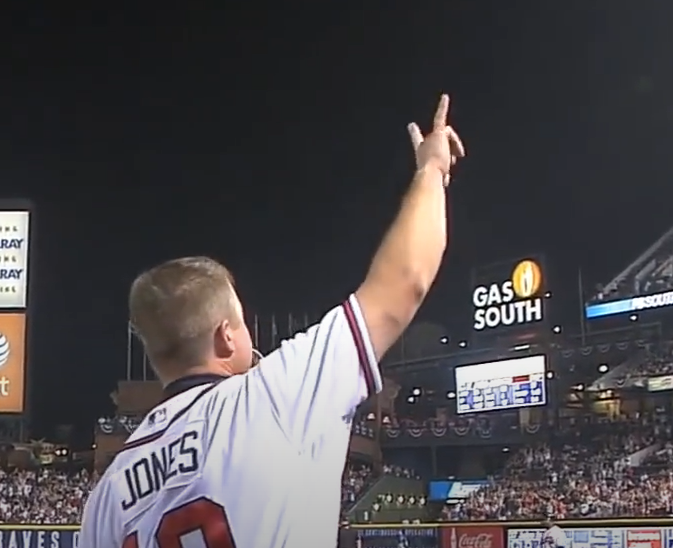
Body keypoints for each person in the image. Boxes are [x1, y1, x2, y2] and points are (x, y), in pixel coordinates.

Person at [79, 94, 465, 548]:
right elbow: (404, 284)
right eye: (241, 323)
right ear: (225, 337)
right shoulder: (272, 396)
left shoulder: (107, 495)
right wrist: (432, 169)